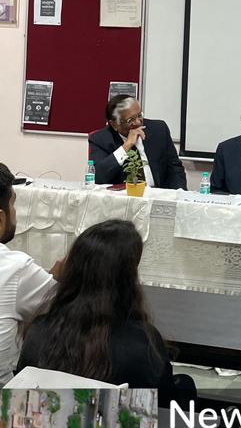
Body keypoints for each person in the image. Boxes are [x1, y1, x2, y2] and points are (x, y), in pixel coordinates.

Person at [17, 219, 178, 394]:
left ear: (71, 271)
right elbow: (162, 403)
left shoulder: (38, 331)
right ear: (128, 280)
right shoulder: (143, 343)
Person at [0, 162, 58, 386]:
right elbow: (64, 306)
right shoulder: (15, 267)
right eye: (13, 204)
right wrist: (58, 278)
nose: (15, 213)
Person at [88, 95, 187, 189]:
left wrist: (179, 195)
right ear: (114, 124)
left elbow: (175, 168)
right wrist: (126, 146)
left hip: (157, 194)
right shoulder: (100, 139)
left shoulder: (159, 129)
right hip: (124, 197)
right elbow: (97, 177)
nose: (138, 122)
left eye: (139, 115)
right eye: (130, 120)